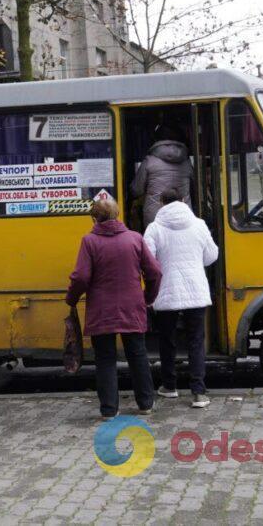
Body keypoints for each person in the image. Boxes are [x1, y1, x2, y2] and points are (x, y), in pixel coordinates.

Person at [66, 198, 163, 419]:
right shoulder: (135, 238)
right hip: (132, 306)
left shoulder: (89, 241)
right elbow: (155, 272)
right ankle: (145, 403)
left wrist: (71, 298)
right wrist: (147, 297)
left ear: (94, 218)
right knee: (137, 355)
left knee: (105, 358)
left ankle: (109, 409)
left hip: (102, 309)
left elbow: (81, 277)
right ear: (117, 214)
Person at [144, 188, 219, 409]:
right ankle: (198, 392)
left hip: (166, 292)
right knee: (196, 340)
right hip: (195, 291)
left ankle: (169, 386)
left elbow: (148, 262)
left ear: (161, 203)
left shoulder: (154, 228)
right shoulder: (199, 224)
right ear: (184, 200)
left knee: (167, 340)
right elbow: (211, 255)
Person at [131, 125, 193, 228]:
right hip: (183, 215)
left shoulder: (149, 161)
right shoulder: (187, 162)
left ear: (156, 139)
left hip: (156, 217)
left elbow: (137, 190)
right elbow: (196, 188)